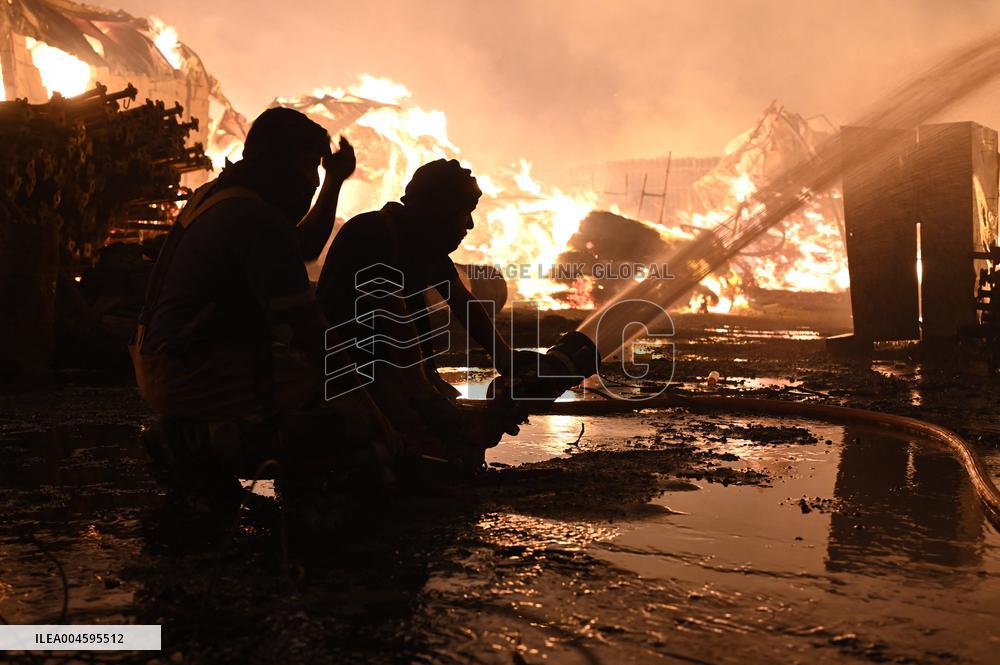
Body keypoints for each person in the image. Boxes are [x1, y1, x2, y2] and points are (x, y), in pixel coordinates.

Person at [131, 107, 397, 521]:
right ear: (279, 162)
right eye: (310, 166)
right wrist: (372, 413)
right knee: (345, 425)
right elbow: (310, 332)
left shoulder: (228, 196)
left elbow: (301, 247)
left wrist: (333, 181)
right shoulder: (252, 217)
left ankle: (211, 440)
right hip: (188, 373)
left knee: (327, 386)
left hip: (166, 361)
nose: (311, 179)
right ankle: (198, 442)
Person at [316, 159, 514, 466]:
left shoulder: (419, 241)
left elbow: (463, 302)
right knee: (420, 451)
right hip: (347, 377)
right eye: (466, 212)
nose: (470, 225)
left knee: (455, 436)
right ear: (439, 211)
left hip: (383, 374)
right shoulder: (374, 236)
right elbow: (396, 333)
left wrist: (506, 358)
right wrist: (429, 401)